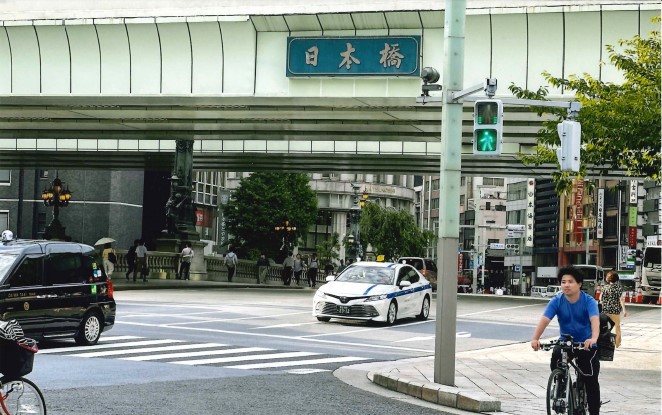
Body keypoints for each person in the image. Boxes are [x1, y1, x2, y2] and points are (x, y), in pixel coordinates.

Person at [531, 265, 601, 415]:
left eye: (570, 281)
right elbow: (545, 319)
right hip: (566, 341)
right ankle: (561, 381)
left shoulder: (588, 301)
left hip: (585, 343)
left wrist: (593, 338)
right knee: (556, 358)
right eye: (563, 282)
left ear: (579, 284)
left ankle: (594, 411)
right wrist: (535, 338)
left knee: (591, 379)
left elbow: (595, 320)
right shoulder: (557, 300)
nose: (566, 285)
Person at [601, 270, 627, 348]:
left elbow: (601, 298)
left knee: (605, 327)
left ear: (608, 279)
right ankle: (617, 343)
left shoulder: (605, 287)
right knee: (617, 327)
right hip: (615, 311)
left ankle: (604, 342)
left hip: (605, 311)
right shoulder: (618, 288)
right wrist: (624, 310)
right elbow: (621, 299)